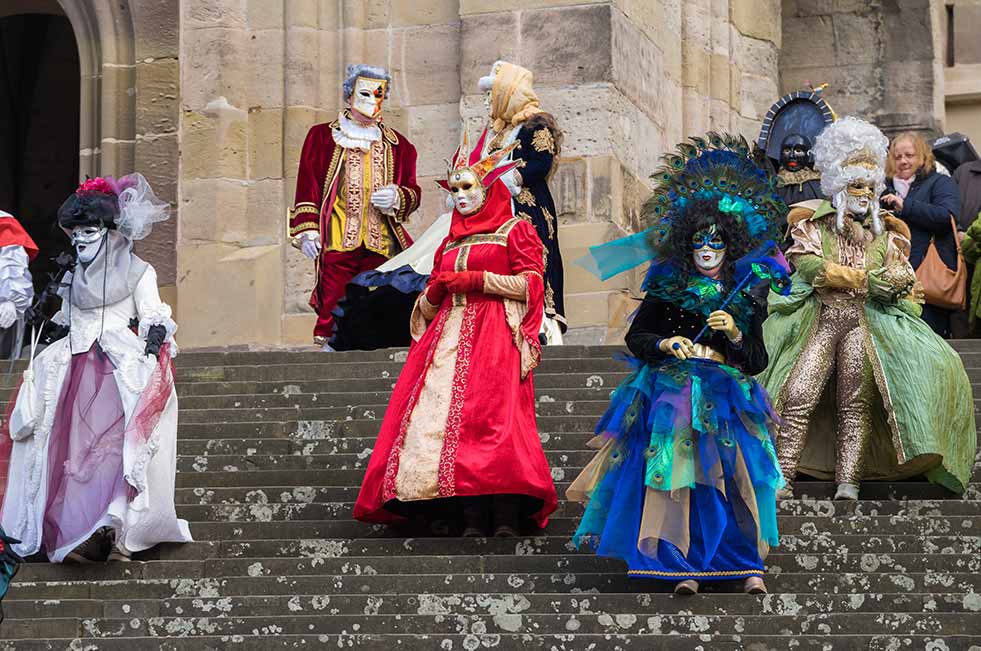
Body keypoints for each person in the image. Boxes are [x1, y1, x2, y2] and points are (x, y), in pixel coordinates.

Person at [567, 133, 787, 595]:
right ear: (686, 246)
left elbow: (756, 360)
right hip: (672, 393)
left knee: (728, 479)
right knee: (673, 477)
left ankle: (739, 560)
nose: (707, 252)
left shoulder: (745, 299)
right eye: (699, 244)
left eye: (717, 244)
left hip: (726, 397)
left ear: (731, 247)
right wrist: (667, 343)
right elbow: (638, 336)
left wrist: (734, 334)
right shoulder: (667, 291)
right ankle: (674, 561)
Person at [354, 129, 557, 537]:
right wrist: (432, 293)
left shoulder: (514, 230)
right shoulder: (449, 240)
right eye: (455, 189)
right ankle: (461, 515)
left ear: (488, 188)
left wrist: (478, 280)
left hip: (496, 333)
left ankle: (502, 515)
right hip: (447, 339)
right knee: (446, 422)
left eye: (469, 187)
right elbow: (432, 300)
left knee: (493, 422)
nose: (461, 196)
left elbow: (532, 284)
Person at [759, 117, 976, 500]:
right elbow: (810, 266)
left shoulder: (888, 231)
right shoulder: (813, 223)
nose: (864, 193)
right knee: (796, 392)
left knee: (855, 402)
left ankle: (849, 480)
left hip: (866, 322)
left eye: (870, 186)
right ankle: (782, 476)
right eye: (856, 185)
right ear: (840, 187)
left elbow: (900, 274)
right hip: (820, 318)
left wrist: (892, 283)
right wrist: (864, 279)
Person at [0, 175, 192, 563]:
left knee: (110, 451)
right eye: (74, 233)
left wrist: (152, 348)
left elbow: (154, 314)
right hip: (69, 368)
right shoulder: (71, 276)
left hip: (116, 369)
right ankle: (69, 528)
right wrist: (47, 322)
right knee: (61, 450)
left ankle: (111, 525)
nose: (80, 239)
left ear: (108, 230)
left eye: (89, 230)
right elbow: (67, 318)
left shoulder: (139, 271)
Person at [288, 64, 421, 350]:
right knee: (334, 298)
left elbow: (413, 191)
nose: (372, 101)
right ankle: (328, 353)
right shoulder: (322, 137)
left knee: (374, 299)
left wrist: (398, 197)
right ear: (349, 96)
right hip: (338, 234)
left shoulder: (400, 146)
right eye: (364, 93)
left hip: (381, 240)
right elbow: (308, 184)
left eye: (378, 94)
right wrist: (307, 230)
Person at [478, 61, 565, 343]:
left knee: (533, 261)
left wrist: (510, 176)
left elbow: (542, 162)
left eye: (493, 93)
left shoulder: (536, 124)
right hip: (496, 210)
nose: (490, 100)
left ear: (507, 91)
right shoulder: (497, 133)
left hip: (527, 209)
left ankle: (540, 324)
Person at [881, 131, 962, 338]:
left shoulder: (940, 182)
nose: (903, 161)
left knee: (930, 339)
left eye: (909, 155)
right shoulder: (883, 188)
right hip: (890, 278)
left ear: (923, 157)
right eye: (897, 157)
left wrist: (904, 206)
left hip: (927, 278)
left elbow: (946, 217)